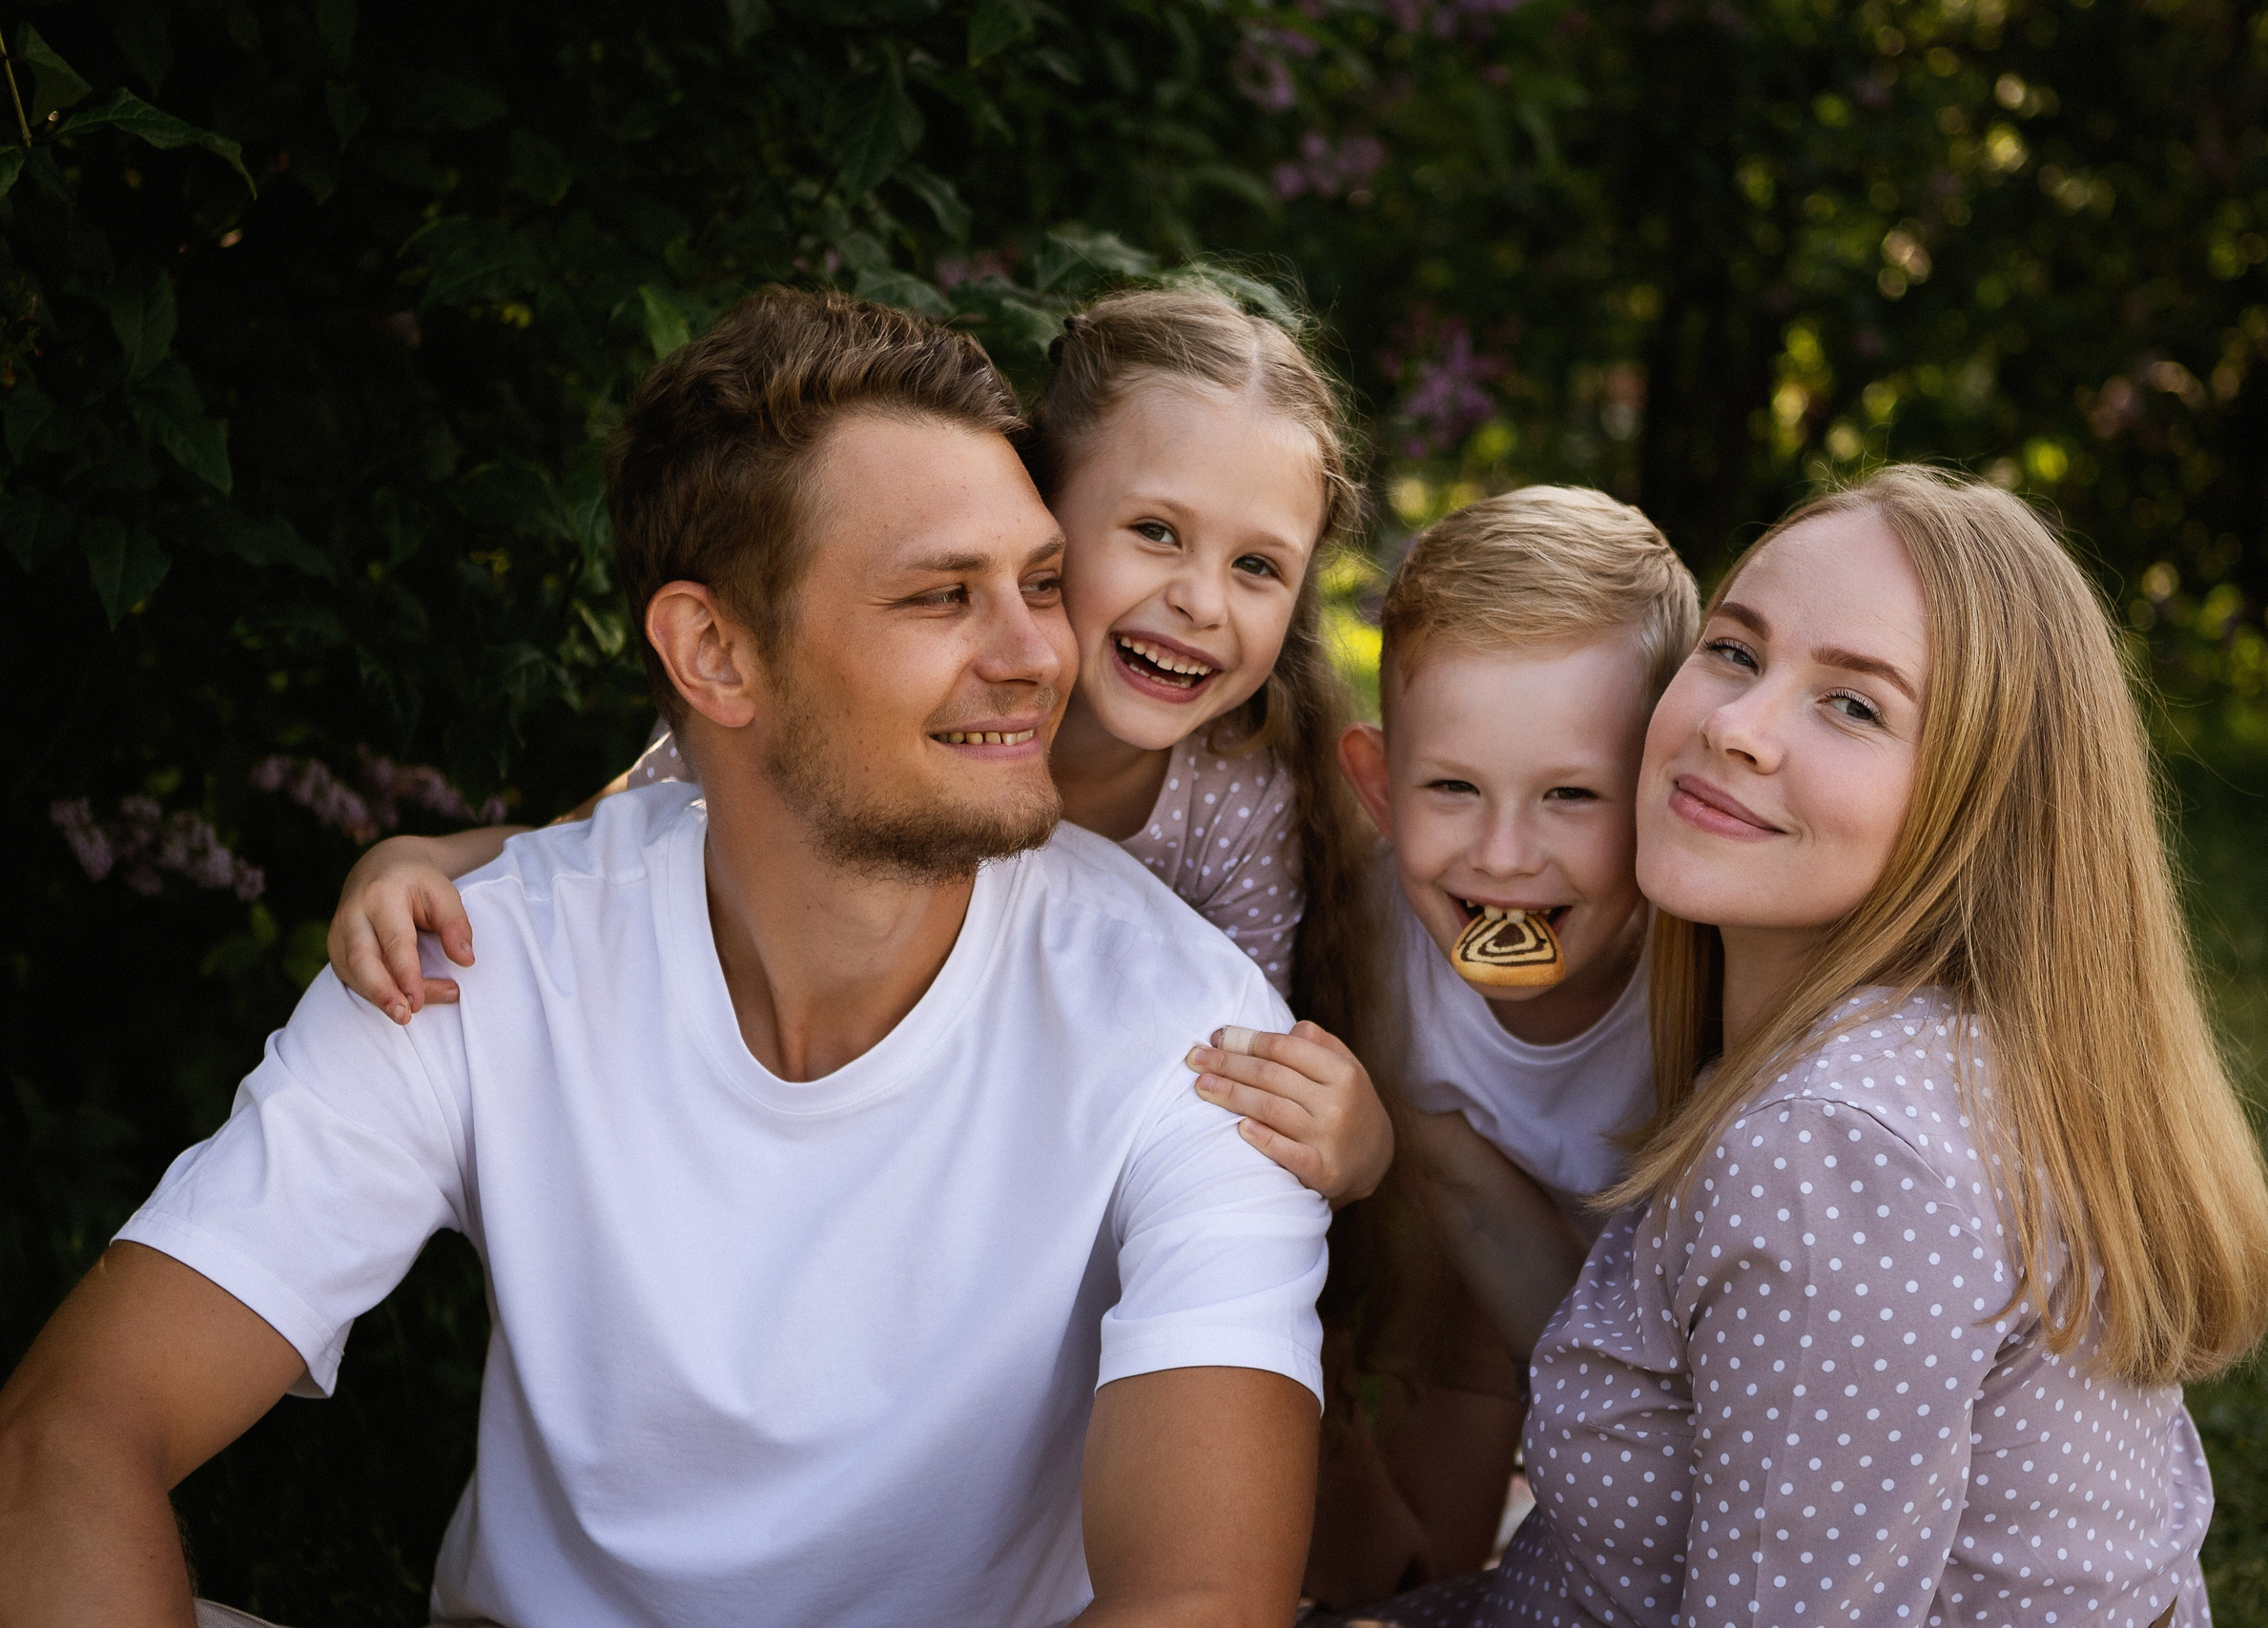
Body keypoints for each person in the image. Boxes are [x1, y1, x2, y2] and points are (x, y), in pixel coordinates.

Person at [0, 288, 1334, 1628]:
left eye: (1043, 583)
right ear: (712, 652)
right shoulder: (480, 954)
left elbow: (1204, 1595)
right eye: (944, 595)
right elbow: (69, 1433)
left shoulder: (1200, 1042)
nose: (1039, 652)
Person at [1335, 464, 2268, 1628]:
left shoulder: (1836, 1159)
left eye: (1853, 705)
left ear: (1973, 807)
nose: (1736, 727)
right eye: (1735, 651)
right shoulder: (1885, 1054)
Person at [323, 281, 1394, 1209]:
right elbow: (613, 836)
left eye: (1259, 566)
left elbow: (1240, 1056)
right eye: (1155, 531)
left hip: (1037, 1152)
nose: (1201, 599)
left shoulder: (1236, 796)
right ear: (1038, 510)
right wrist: (426, 861)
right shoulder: (836, 706)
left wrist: (1352, 1142)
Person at [1307, 487, 1699, 1604]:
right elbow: (1465, 1217)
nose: (1504, 857)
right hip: (1489, 1300)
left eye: (1571, 795)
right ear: (1379, 787)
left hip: (1699, 1341)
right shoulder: (1378, 945)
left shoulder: (1708, 973)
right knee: (1399, 1565)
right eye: (1452, 789)